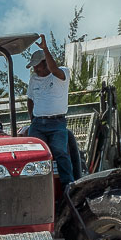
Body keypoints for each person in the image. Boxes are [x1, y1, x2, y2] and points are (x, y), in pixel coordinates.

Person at [26, 34, 74, 188]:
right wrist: (32, 119)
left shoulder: (61, 74)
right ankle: (36, 185)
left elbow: (53, 69)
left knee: (60, 152)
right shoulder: (34, 79)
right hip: (38, 123)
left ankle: (68, 186)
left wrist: (45, 49)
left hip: (56, 122)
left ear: (45, 62)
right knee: (33, 154)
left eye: (37, 65)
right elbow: (30, 99)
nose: (34, 68)